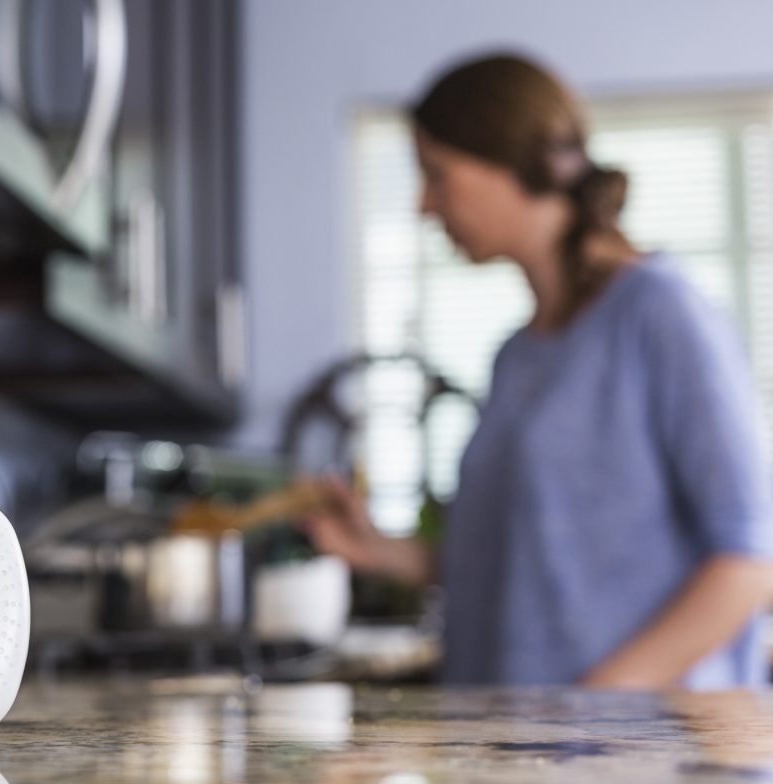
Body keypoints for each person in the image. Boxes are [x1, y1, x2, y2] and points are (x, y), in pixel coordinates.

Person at [305, 53, 773, 690]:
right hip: (520, 767)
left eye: (437, 175)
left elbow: (749, 562)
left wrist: (589, 711)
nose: (423, 205)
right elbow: (527, 561)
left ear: (514, 167)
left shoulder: (661, 314)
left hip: (637, 775)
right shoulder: (517, 353)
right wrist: (382, 551)